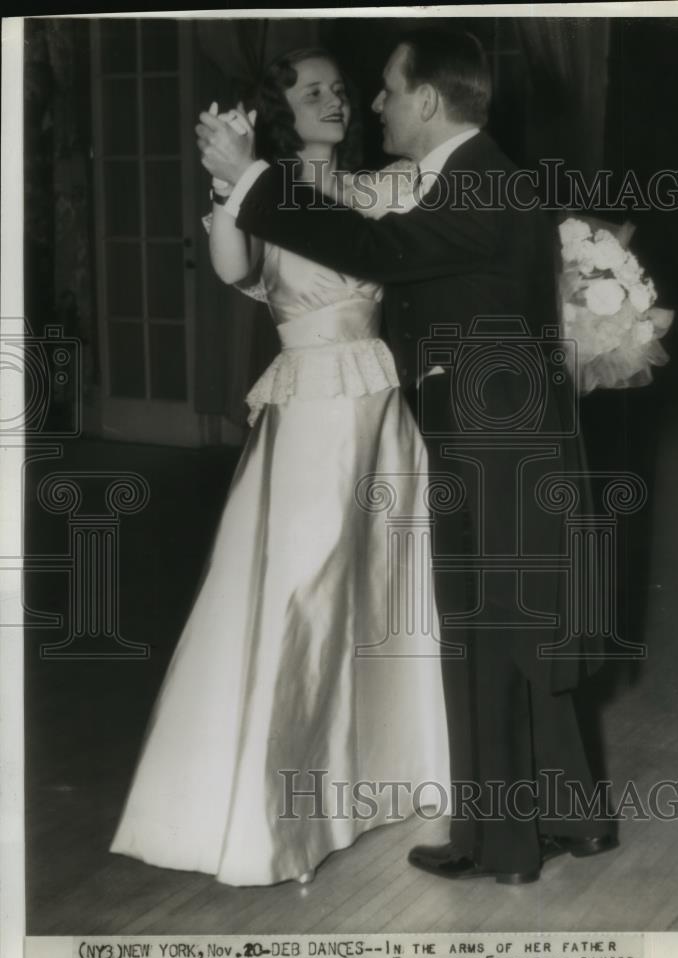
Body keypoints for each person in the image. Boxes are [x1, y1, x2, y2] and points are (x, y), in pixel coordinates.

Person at [197, 27, 618, 885]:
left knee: (490, 637)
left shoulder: (473, 183)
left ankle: (498, 844)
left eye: (389, 89)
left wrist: (250, 179)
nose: (374, 103)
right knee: (518, 634)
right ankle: (576, 818)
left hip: (493, 441)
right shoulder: (471, 173)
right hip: (494, 431)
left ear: (428, 100)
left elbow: (380, 253)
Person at [110, 48, 450, 888]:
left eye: (340, 89)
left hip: (379, 405)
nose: (336, 101)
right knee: (302, 588)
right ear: (277, 112)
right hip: (312, 414)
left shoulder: (380, 187)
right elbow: (230, 267)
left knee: (385, 585)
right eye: (312, 93)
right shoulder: (259, 194)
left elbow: (425, 239)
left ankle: (382, 786)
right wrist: (231, 179)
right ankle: (274, 817)